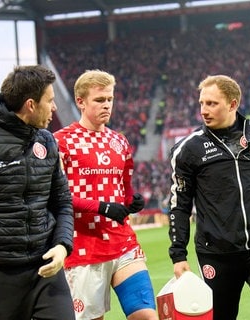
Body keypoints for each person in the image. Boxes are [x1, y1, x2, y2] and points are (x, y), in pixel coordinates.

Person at [168, 74, 250, 320]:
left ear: (233, 104)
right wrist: (178, 255)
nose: (204, 110)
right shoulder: (188, 150)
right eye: (201, 103)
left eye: (212, 103)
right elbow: (179, 205)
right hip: (217, 254)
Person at [0, 65, 75, 320]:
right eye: (50, 100)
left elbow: (62, 202)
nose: (55, 107)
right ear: (30, 105)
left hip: (45, 268)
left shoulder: (47, 141)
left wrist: (62, 245)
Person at [54, 69, 157, 320]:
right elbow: (57, 195)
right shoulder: (61, 142)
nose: (107, 105)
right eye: (100, 100)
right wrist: (101, 207)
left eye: (110, 99)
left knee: (147, 316)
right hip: (83, 248)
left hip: (123, 243)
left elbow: (125, 188)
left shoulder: (119, 141)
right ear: (80, 101)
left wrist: (133, 200)